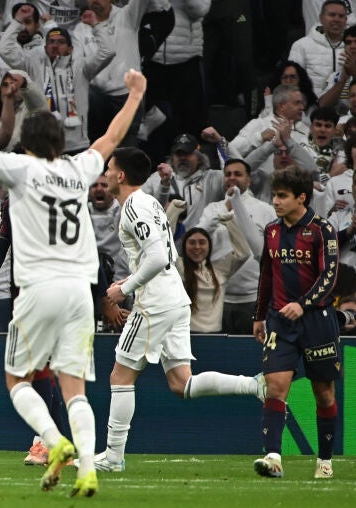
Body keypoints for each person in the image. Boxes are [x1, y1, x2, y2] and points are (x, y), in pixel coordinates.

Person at [0, 68, 147, 499]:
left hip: (39, 288)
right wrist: (135, 94)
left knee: (18, 381)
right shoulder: (79, 169)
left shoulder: (20, 169)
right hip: (79, 290)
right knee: (74, 387)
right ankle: (87, 467)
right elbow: (110, 139)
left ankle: (55, 443)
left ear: (28, 144)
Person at [94, 148, 263, 473]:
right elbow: (162, 255)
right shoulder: (150, 204)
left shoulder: (134, 207)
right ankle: (253, 385)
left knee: (120, 374)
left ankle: (113, 458)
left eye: (108, 168)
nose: (104, 174)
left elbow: (157, 258)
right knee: (181, 383)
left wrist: (123, 289)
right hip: (174, 297)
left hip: (154, 302)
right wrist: (130, 280)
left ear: (120, 175)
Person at [252, 165, 340, 480]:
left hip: (317, 320)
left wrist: (303, 304)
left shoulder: (322, 229)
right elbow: (266, 274)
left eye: (282, 196)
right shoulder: (272, 231)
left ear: (301, 197)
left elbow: (329, 276)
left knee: (324, 393)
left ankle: (325, 461)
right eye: (274, 195)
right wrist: (260, 314)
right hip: (280, 321)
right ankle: (273, 457)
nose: (275, 201)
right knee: (275, 387)